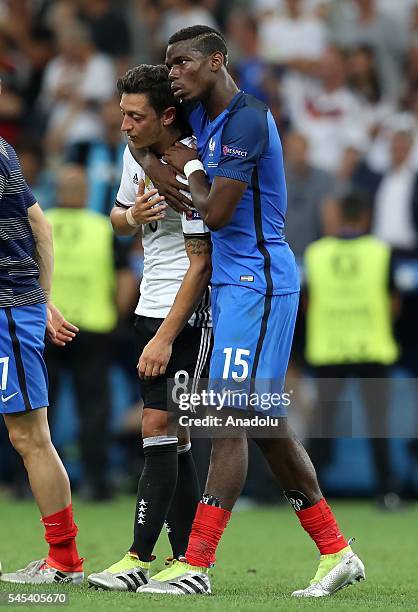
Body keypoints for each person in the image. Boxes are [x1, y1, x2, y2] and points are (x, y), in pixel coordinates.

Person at [136, 25, 365, 598]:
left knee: (227, 420)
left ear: (216, 61)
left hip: (259, 283)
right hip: (234, 288)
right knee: (265, 430)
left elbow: (213, 213)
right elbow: (142, 145)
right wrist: (174, 160)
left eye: (183, 63)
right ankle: (337, 552)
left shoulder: (246, 118)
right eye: (168, 66)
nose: (174, 75)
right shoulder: (198, 118)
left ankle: (196, 562)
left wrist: (186, 167)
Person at [87, 64, 212, 591]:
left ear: (166, 115)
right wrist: (134, 216)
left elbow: (201, 263)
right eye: (121, 114)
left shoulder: (193, 167)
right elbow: (116, 219)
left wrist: (165, 336)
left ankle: (138, 558)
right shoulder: (134, 153)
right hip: (147, 306)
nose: (124, 125)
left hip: (184, 317)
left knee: (157, 426)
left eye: (135, 116)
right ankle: (185, 562)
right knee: (173, 436)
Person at [0, 133, 83, 583]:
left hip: (6, 311)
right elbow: (39, 226)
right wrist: (43, 301)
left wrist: (35, 302)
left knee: (30, 437)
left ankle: (64, 561)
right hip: (19, 304)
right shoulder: (6, 151)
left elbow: (40, 228)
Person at [305, 192, 401, 508]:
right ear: (365, 217)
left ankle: (307, 495)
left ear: (339, 216)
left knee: (324, 426)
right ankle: (387, 492)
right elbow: (393, 301)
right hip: (372, 345)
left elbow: (306, 301)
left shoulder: (316, 253)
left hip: (329, 347)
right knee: (379, 425)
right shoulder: (380, 251)